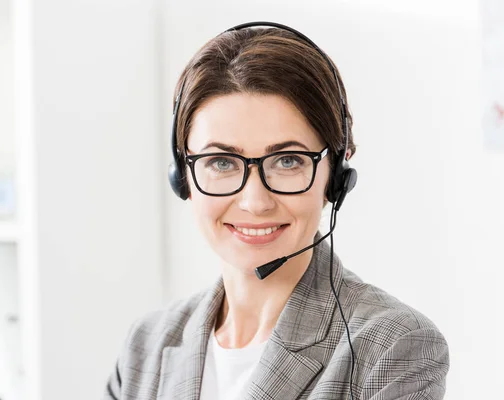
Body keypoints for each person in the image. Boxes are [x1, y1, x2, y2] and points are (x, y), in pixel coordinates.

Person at [105, 22, 449, 400]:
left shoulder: (392, 348)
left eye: (287, 161)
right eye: (221, 162)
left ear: (335, 175)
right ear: (182, 175)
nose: (255, 202)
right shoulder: (146, 347)